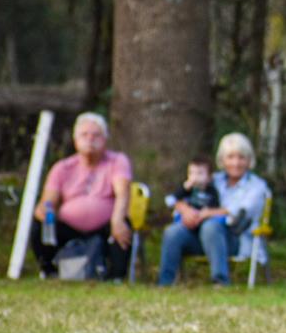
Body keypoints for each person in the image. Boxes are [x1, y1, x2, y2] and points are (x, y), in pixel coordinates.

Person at [157, 133, 271, 286]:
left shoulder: (256, 186)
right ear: (222, 160)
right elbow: (181, 199)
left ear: (249, 160)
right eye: (230, 157)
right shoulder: (210, 179)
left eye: (241, 157)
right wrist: (185, 210)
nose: (235, 163)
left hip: (235, 239)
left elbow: (238, 212)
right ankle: (164, 283)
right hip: (199, 236)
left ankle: (220, 281)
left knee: (211, 226)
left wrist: (207, 214)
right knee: (173, 231)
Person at [31, 112, 133, 280]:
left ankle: (115, 276)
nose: (90, 139)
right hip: (69, 227)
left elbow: (122, 193)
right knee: (40, 223)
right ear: (75, 139)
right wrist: (45, 210)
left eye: (96, 135)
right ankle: (48, 270)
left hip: (105, 226)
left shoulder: (117, 161)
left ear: (105, 139)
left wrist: (117, 219)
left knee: (122, 224)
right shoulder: (62, 167)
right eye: (84, 135)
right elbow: (48, 200)